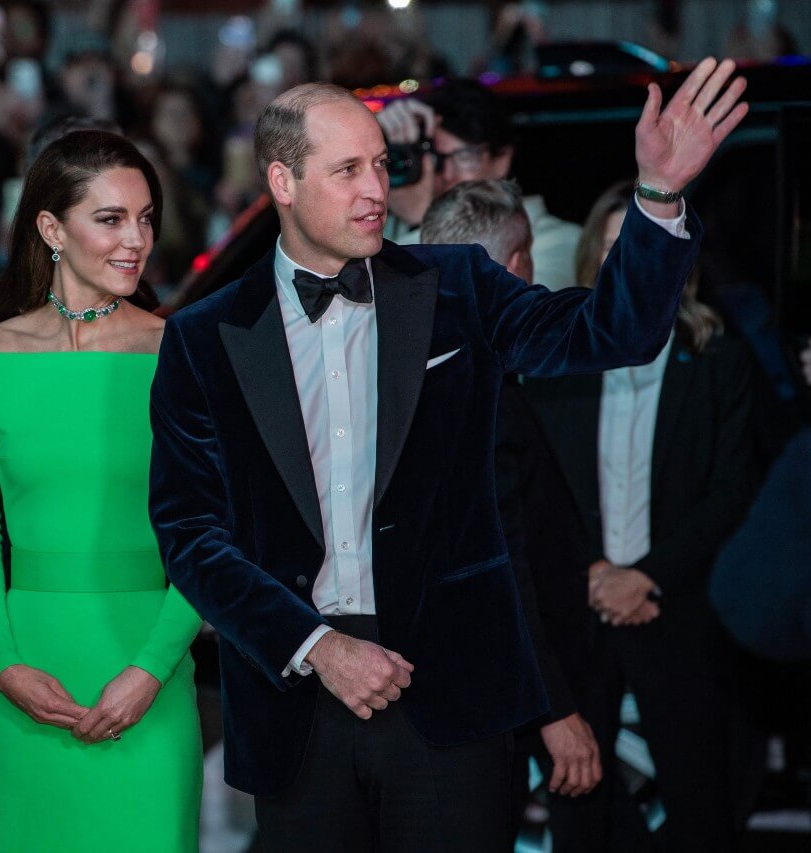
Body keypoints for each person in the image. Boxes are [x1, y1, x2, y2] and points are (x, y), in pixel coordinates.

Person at [149, 59, 746, 853]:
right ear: (282, 182)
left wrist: (660, 195)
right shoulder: (204, 334)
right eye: (348, 170)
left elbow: (612, 332)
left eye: (382, 166)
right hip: (298, 696)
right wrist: (316, 645)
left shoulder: (457, 285)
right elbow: (189, 531)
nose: (377, 189)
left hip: (451, 694)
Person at [0, 129, 203, 852]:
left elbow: (208, 530)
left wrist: (150, 670)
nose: (137, 239)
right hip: (26, 681)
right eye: (112, 218)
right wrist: (4, 665)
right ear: (52, 228)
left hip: (149, 672)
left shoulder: (179, 353)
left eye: (146, 217)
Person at [521, 180, 761, 853]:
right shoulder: (556, 357)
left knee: (697, 798)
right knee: (577, 801)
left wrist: (647, 577)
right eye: (613, 245)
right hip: (582, 606)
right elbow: (541, 486)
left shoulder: (717, 360)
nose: (627, 259)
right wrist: (594, 570)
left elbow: (731, 491)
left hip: (674, 607)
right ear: (593, 259)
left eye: (644, 245)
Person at [420, 180, 604, 823]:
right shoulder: (476, 386)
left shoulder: (418, 360)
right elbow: (502, 565)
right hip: (497, 687)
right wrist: (554, 707)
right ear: (517, 265)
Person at [377, 78, 582, 290]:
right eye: (437, 157)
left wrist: (422, 222)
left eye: (463, 156)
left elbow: (494, 314)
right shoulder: (385, 227)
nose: (446, 173)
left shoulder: (561, 240)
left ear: (502, 159)